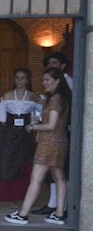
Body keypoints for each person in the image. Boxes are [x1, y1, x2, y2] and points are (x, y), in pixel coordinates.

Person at [5, 67, 71, 225]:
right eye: (43, 80)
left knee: (36, 178)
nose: (44, 83)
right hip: (61, 141)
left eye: (47, 80)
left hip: (49, 143)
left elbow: (51, 125)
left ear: (57, 81)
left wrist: (33, 127)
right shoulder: (64, 98)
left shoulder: (55, 99)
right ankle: (60, 213)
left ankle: (23, 214)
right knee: (59, 178)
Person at [0, 68, 41, 209]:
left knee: (21, 164)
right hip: (9, 134)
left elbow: (41, 114)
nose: (20, 81)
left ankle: (16, 198)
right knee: (4, 163)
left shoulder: (33, 97)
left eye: (23, 78)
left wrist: (33, 124)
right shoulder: (7, 95)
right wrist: (11, 127)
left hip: (25, 135)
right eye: (17, 78)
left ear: (28, 80)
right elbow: (1, 117)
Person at [32, 52, 72, 216]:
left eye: (54, 63)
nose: (51, 67)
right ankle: (56, 206)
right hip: (57, 134)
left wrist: (34, 127)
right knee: (56, 174)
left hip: (58, 134)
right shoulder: (52, 94)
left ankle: (61, 207)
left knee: (57, 173)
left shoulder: (64, 88)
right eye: (49, 64)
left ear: (62, 66)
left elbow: (54, 122)